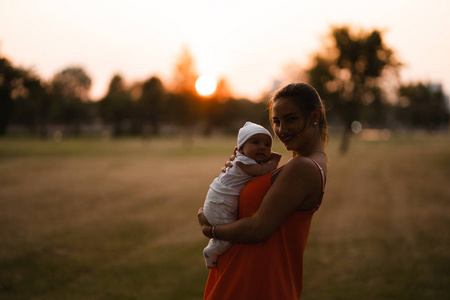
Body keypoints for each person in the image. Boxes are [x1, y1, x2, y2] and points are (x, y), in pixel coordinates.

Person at [197, 82, 328, 300]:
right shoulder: (300, 165)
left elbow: (258, 228)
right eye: (276, 121)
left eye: (291, 119)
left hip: (257, 282)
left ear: (314, 116)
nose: (281, 130)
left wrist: (210, 230)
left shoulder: (303, 167)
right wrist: (241, 168)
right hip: (246, 275)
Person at [202, 121, 282, 269]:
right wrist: (275, 159)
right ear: (240, 149)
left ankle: (214, 246)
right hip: (220, 203)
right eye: (255, 142)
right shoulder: (242, 162)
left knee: (230, 233)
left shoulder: (245, 160)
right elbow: (264, 171)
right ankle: (211, 251)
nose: (262, 147)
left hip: (219, 202)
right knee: (228, 237)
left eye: (267, 145)